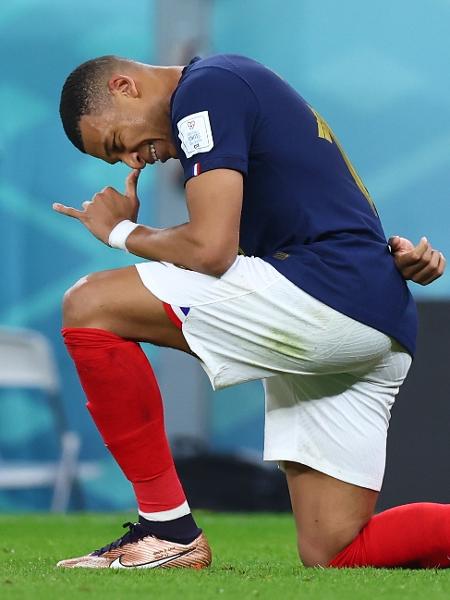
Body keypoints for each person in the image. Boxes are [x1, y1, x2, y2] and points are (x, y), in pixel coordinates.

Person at [55, 54, 447, 569]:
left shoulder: (203, 92)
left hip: (329, 296)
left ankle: (167, 530)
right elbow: (314, 208)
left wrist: (120, 233)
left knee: (89, 303)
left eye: (116, 143)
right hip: (373, 311)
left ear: (125, 86)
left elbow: (211, 250)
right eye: (118, 161)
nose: (133, 161)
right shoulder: (232, 85)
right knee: (338, 550)